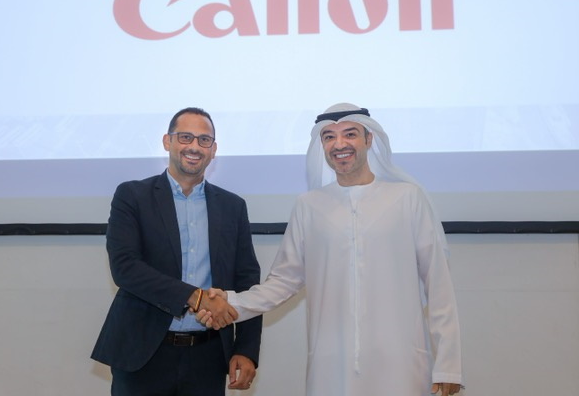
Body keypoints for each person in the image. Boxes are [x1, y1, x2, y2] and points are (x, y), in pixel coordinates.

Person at [198, 103, 463, 396]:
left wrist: (449, 364)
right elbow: (282, 282)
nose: (339, 144)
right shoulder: (309, 206)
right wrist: (232, 301)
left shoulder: (407, 198)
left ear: (369, 139)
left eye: (350, 134)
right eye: (329, 137)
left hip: (400, 363)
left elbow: (438, 284)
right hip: (331, 367)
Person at [91, 107, 262, 396]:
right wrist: (195, 297)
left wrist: (246, 349)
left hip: (208, 357)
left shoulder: (232, 207)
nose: (194, 146)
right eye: (185, 137)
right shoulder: (132, 196)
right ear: (167, 141)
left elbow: (247, 280)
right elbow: (125, 268)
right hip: (143, 355)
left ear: (214, 150)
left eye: (204, 140)